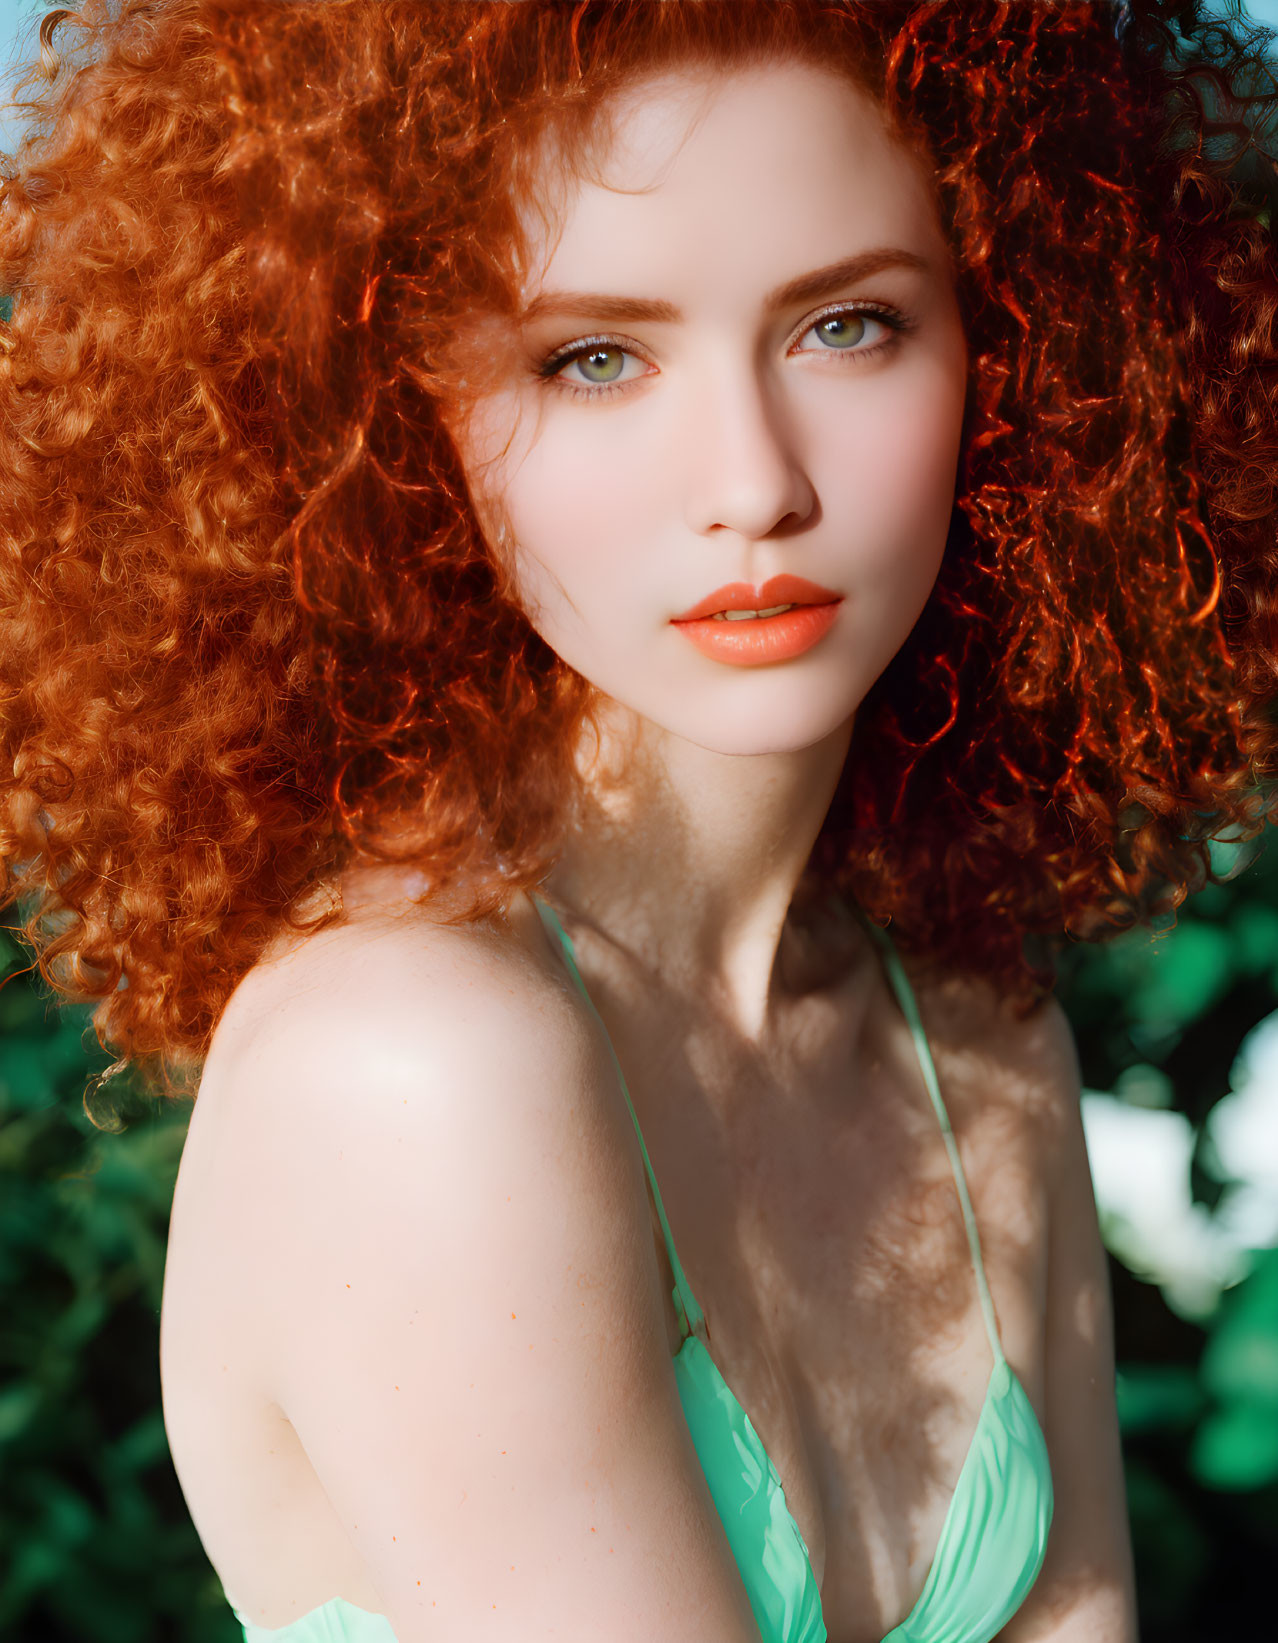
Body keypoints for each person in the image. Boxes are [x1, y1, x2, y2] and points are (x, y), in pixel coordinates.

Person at [0, 0, 1275, 1639]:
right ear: (400, 431)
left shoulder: (967, 1026)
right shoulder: (412, 1057)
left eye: (849, 328)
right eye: (592, 358)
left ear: (1018, 359)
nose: (752, 482)